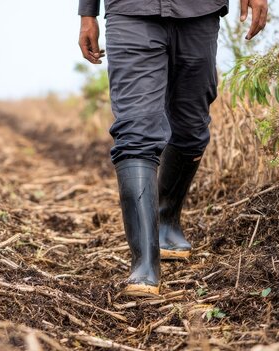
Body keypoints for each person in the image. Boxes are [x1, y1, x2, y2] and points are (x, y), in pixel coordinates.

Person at [78, 0, 268, 296]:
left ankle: (166, 219)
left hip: (199, 10)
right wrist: (87, 13)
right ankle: (144, 263)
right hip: (131, 10)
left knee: (191, 129)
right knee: (135, 131)